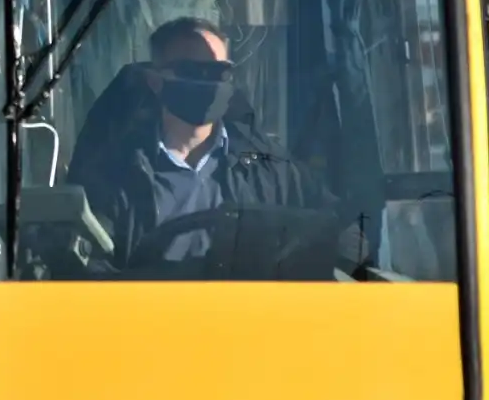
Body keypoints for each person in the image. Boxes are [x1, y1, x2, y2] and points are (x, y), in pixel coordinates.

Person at [74, 16, 368, 274]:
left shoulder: (267, 167)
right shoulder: (115, 175)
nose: (209, 83)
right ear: (154, 80)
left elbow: (346, 233)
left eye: (219, 73)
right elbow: (86, 269)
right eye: (191, 71)